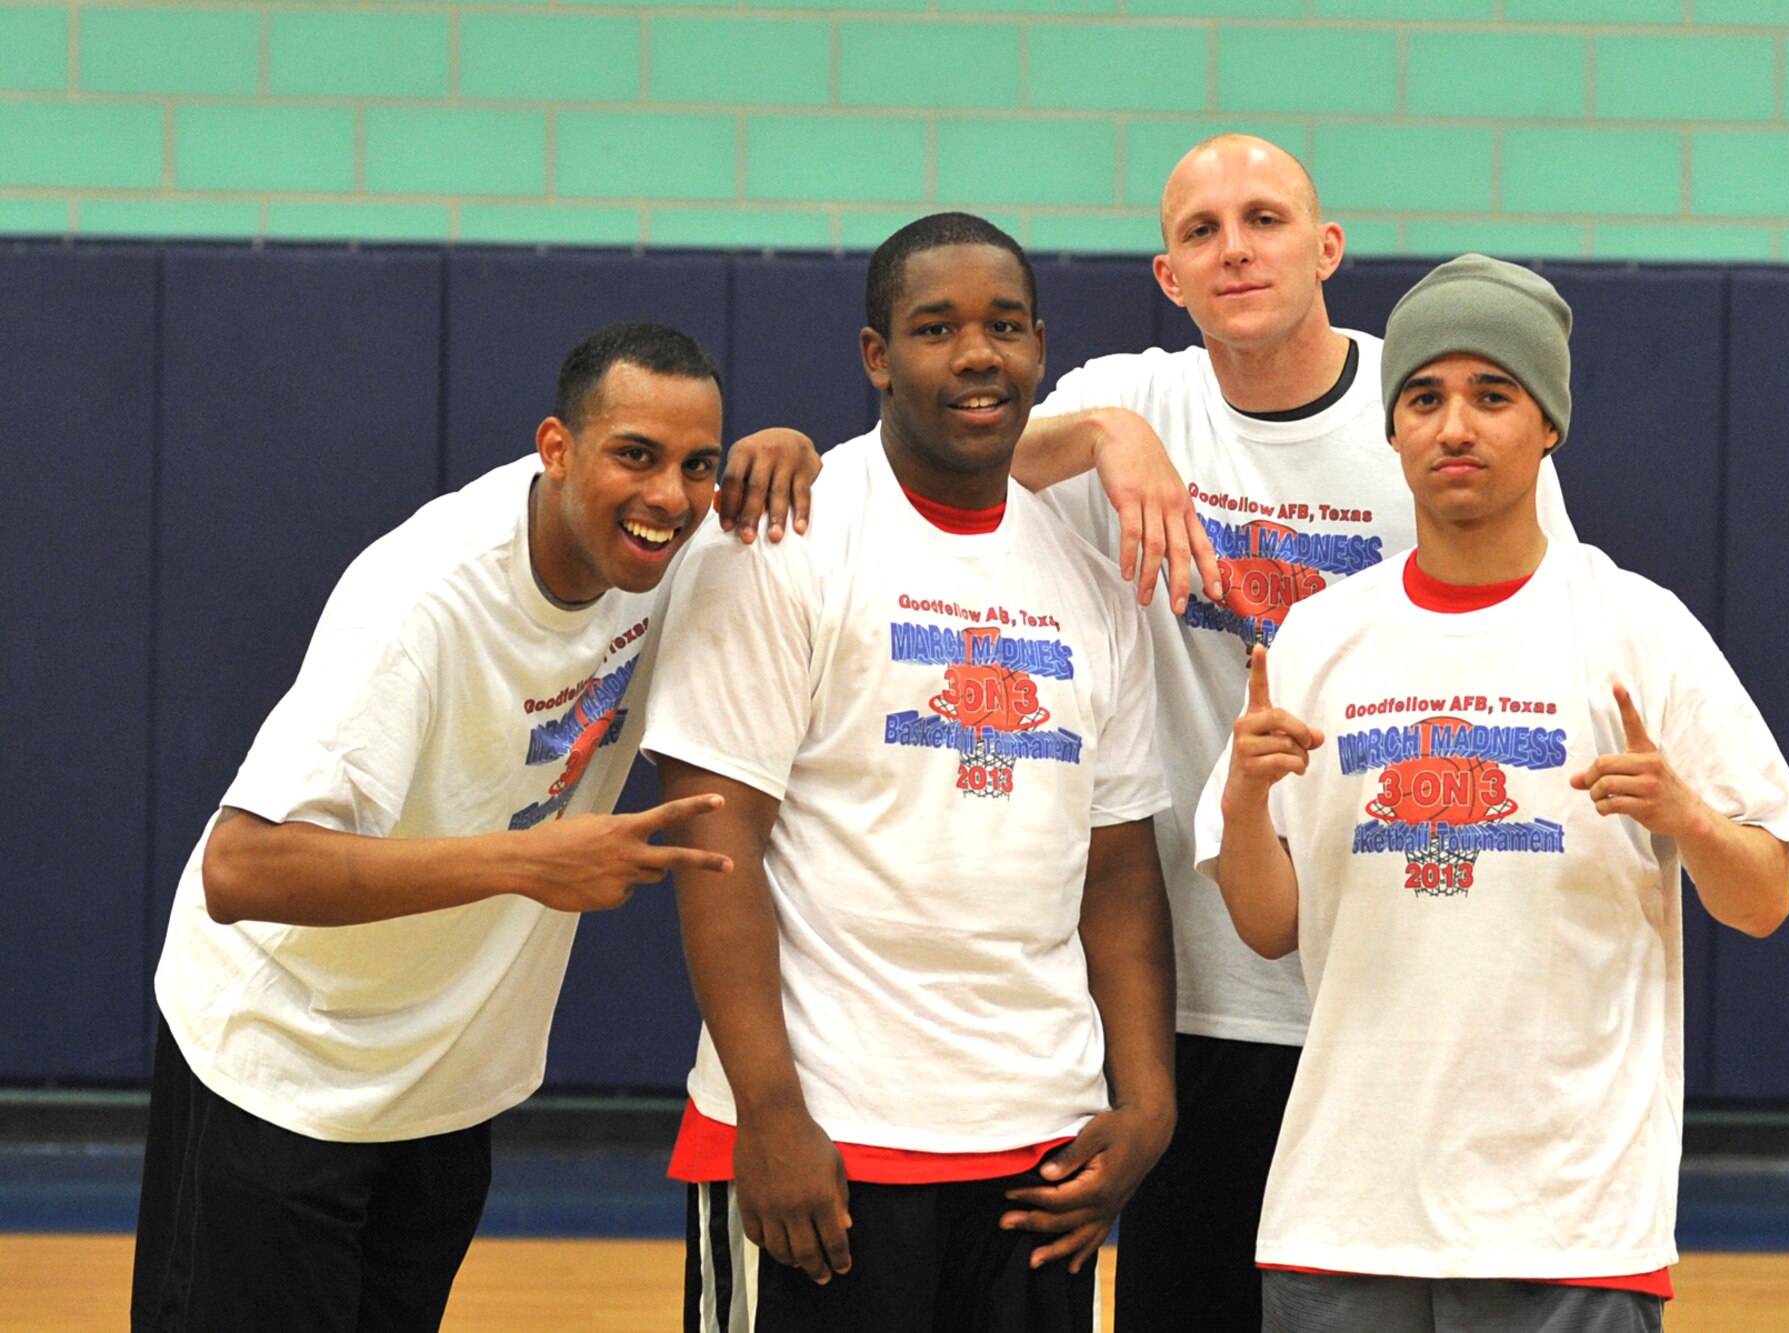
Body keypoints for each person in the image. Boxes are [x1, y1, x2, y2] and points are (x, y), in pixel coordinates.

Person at [131, 322, 822, 1333]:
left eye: (698, 464)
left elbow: (948, 464)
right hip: (282, 1076)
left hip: (445, 1090)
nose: (670, 495)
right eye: (635, 455)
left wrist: (798, 451)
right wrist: (527, 862)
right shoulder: (422, 601)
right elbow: (241, 868)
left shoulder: (683, 546)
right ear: (556, 449)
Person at [1008, 133, 1579, 1330]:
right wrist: (1103, 438)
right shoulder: (1134, 400)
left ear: (1325, 248)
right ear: (1167, 275)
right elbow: (949, 462)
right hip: (1195, 987)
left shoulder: (1425, 406)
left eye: (1263, 219)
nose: (1234, 249)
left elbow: (1539, 645)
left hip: (1390, 980)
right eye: (1200, 232)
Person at [1199, 254, 1789, 1331]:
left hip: (1567, 1221)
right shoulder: (1320, 636)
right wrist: (1246, 798)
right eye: (1425, 398)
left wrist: (1683, 815)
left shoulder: (1634, 625)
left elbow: (1761, 897)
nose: (1454, 427)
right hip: (1344, 1212)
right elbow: (1264, 924)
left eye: (1492, 396)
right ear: (1392, 432)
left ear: (1546, 427)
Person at [646, 213, 1176, 1332]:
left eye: (1004, 327)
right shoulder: (779, 540)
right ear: (876, 357)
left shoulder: (1087, 583)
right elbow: (712, 842)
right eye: (935, 328)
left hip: (1041, 1149)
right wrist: (771, 1112)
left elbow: (1118, 870)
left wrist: (1149, 1105)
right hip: (827, 1140)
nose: (976, 354)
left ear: (1039, 349)